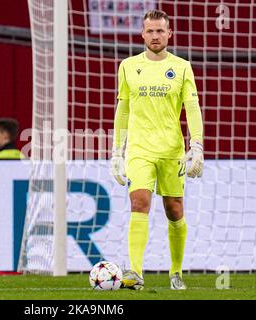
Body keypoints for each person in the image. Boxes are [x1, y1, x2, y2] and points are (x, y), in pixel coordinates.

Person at [111, 9, 204, 290]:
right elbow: (123, 109)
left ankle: (175, 272)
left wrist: (196, 146)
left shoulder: (182, 66)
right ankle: (135, 273)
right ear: (142, 34)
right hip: (139, 149)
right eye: (150, 31)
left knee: (174, 209)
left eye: (160, 31)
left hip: (171, 150)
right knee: (139, 201)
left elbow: (192, 108)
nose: (155, 36)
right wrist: (117, 152)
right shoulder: (128, 66)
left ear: (169, 34)